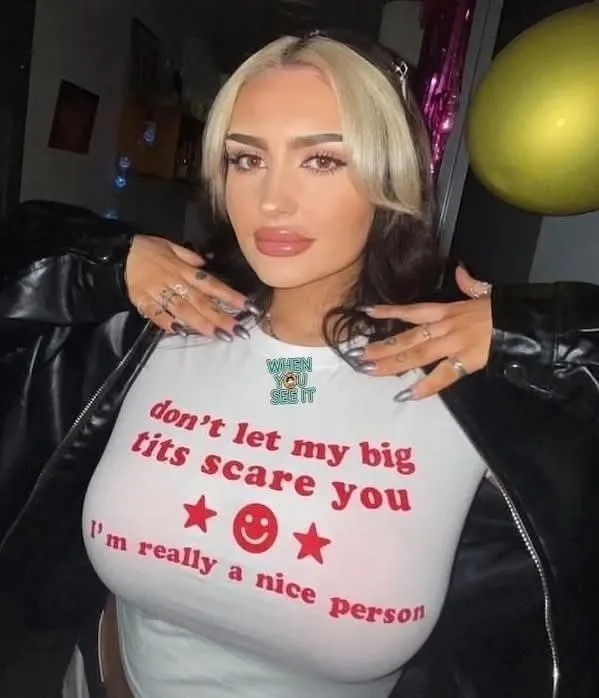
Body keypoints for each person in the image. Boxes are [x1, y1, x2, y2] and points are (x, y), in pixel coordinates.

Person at [0, 33, 598, 698]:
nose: (272, 201)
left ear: (390, 177)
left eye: (322, 160)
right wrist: (102, 264)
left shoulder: (471, 379)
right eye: (246, 158)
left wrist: (545, 336)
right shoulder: (153, 328)